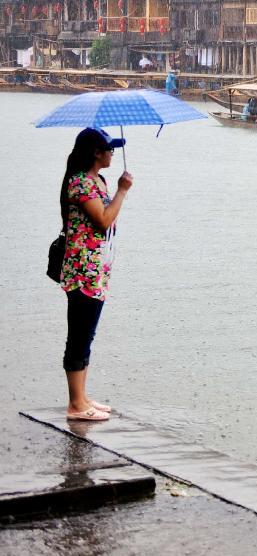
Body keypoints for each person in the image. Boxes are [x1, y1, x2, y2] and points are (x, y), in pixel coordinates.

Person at [59, 128, 133, 421]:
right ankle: (75, 404)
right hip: (82, 271)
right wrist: (123, 191)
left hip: (96, 269)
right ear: (95, 153)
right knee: (78, 335)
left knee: (86, 334)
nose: (112, 153)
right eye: (109, 149)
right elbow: (103, 220)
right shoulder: (80, 184)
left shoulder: (96, 181)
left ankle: (83, 397)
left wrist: (116, 190)